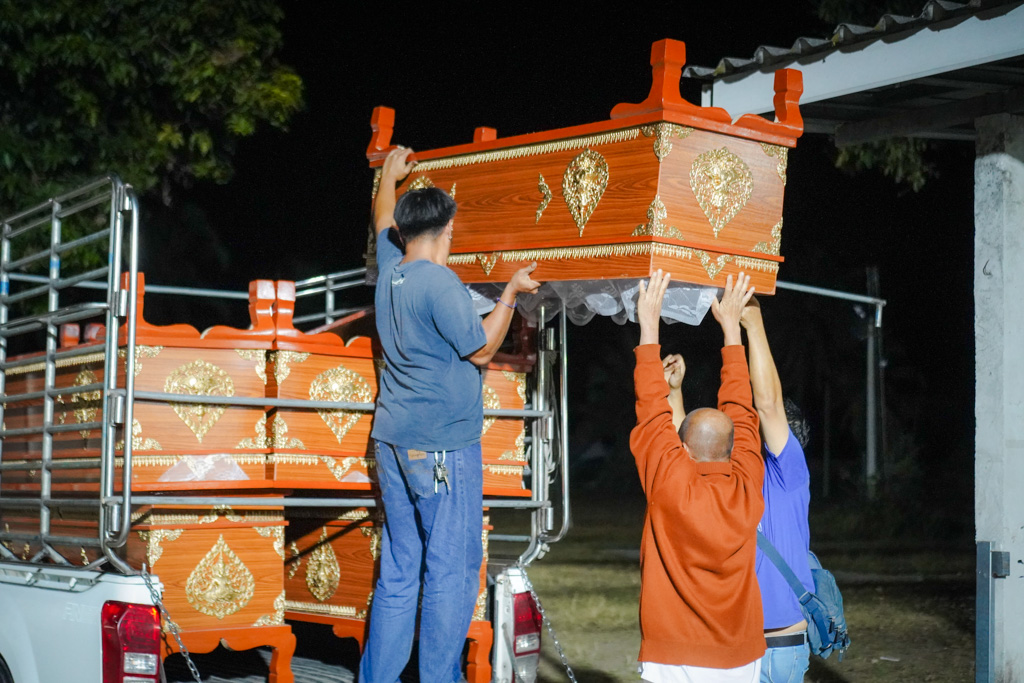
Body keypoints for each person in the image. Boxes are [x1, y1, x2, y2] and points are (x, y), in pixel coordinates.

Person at [360, 146, 541, 683]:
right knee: (451, 570)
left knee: (400, 568)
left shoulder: (391, 269)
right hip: (441, 446)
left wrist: (388, 176)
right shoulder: (439, 283)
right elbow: (481, 350)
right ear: (448, 230)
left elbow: (381, 219)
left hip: (392, 438)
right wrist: (510, 293)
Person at [630, 269, 766, 682]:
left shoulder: (670, 484)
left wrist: (649, 323)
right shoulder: (748, 482)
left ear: (683, 450)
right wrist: (731, 330)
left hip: (673, 657)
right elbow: (742, 410)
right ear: (734, 449)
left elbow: (651, 411)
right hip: (740, 658)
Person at [741, 298, 815, 682]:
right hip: (739, 648)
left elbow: (769, 405)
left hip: (779, 649)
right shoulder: (741, 476)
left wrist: (753, 323)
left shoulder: (789, 472)